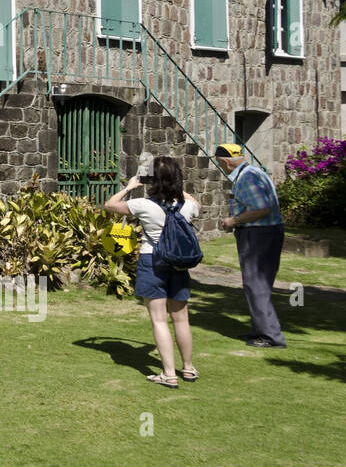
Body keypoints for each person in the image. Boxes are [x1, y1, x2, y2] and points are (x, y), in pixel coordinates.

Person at [105, 157, 201, 387]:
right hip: (178, 263)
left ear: (152, 181)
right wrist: (175, 186)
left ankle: (169, 374)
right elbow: (196, 203)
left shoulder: (144, 205)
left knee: (159, 319)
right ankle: (188, 368)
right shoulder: (188, 206)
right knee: (181, 318)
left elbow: (110, 205)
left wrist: (130, 187)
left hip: (153, 261)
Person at [216, 143, 287, 348]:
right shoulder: (255, 171)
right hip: (267, 232)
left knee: (256, 284)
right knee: (256, 284)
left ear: (226, 162)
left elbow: (261, 208)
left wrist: (233, 221)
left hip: (258, 234)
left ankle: (270, 337)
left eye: (220, 163)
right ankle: (259, 330)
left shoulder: (246, 178)